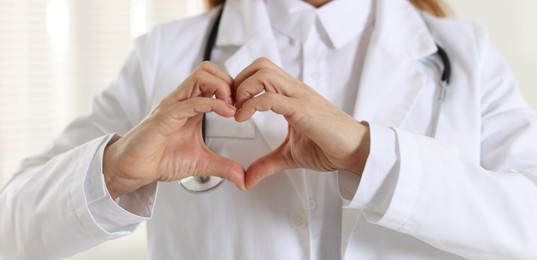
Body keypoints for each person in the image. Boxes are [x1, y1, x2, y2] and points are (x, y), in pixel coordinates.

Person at [1, 0, 537, 259]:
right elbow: (11, 225)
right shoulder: (164, 56)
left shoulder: (465, 54)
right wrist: (115, 171)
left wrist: (368, 154)